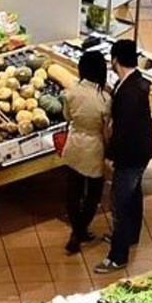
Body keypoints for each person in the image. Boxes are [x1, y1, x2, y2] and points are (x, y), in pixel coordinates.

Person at [97, 38, 152, 273]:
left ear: (115, 60)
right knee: (134, 196)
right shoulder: (134, 83)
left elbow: (123, 130)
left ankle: (117, 257)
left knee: (121, 202)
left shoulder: (129, 92)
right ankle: (131, 236)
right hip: (141, 151)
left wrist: (111, 155)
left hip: (130, 156)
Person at [59, 50, 111, 254]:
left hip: (74, 145)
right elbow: (106, 128)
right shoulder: (105, 99)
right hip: (94, 146)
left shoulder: (71, 93)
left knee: (73, 190)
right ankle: (79, 231)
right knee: (93, 193)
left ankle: (77, 230)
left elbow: (67, 117)